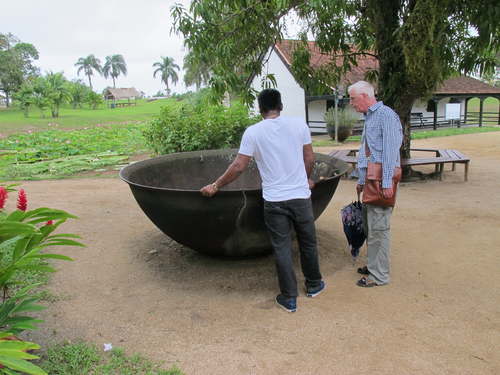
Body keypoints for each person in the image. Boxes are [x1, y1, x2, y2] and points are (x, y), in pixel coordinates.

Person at [200, 88, 324, 312]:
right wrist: (305, 179)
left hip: (275, 200)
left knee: (282, 247)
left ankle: (289, 297)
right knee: (307, 242)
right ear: (281, 106)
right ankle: (314, 284)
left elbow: (239, 166)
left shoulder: (253, 132)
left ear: (260, 109)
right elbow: (309, 157)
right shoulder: (299, 126)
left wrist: (216, 185)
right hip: (300, 197)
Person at [348, 81, 403, 287]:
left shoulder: (385, 115)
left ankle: (378, 276)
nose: (351, 103)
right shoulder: (371, 116)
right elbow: (368, 150)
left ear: (364, 95)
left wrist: (387, 181)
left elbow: (390, 151)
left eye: (352, 98)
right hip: (372, 179)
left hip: (381, 180)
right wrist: (361, 179)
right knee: (371, 226)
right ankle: (373, 266)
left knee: (379, 228)